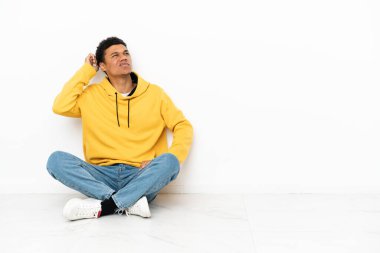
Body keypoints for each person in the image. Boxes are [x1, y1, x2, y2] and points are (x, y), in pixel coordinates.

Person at [46, 37, 193, 221]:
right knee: (56, 160)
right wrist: (86, 71)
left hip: (140, 174)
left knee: (170, 161)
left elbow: (182, 126)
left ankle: (107, 205)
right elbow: (60, 106)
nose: (123, 58)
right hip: (101, 174)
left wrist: (165, 157)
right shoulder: (91, 95)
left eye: (126, 53)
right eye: (115, 55)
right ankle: (130, 203)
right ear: (103, 66)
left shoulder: (155, 94)